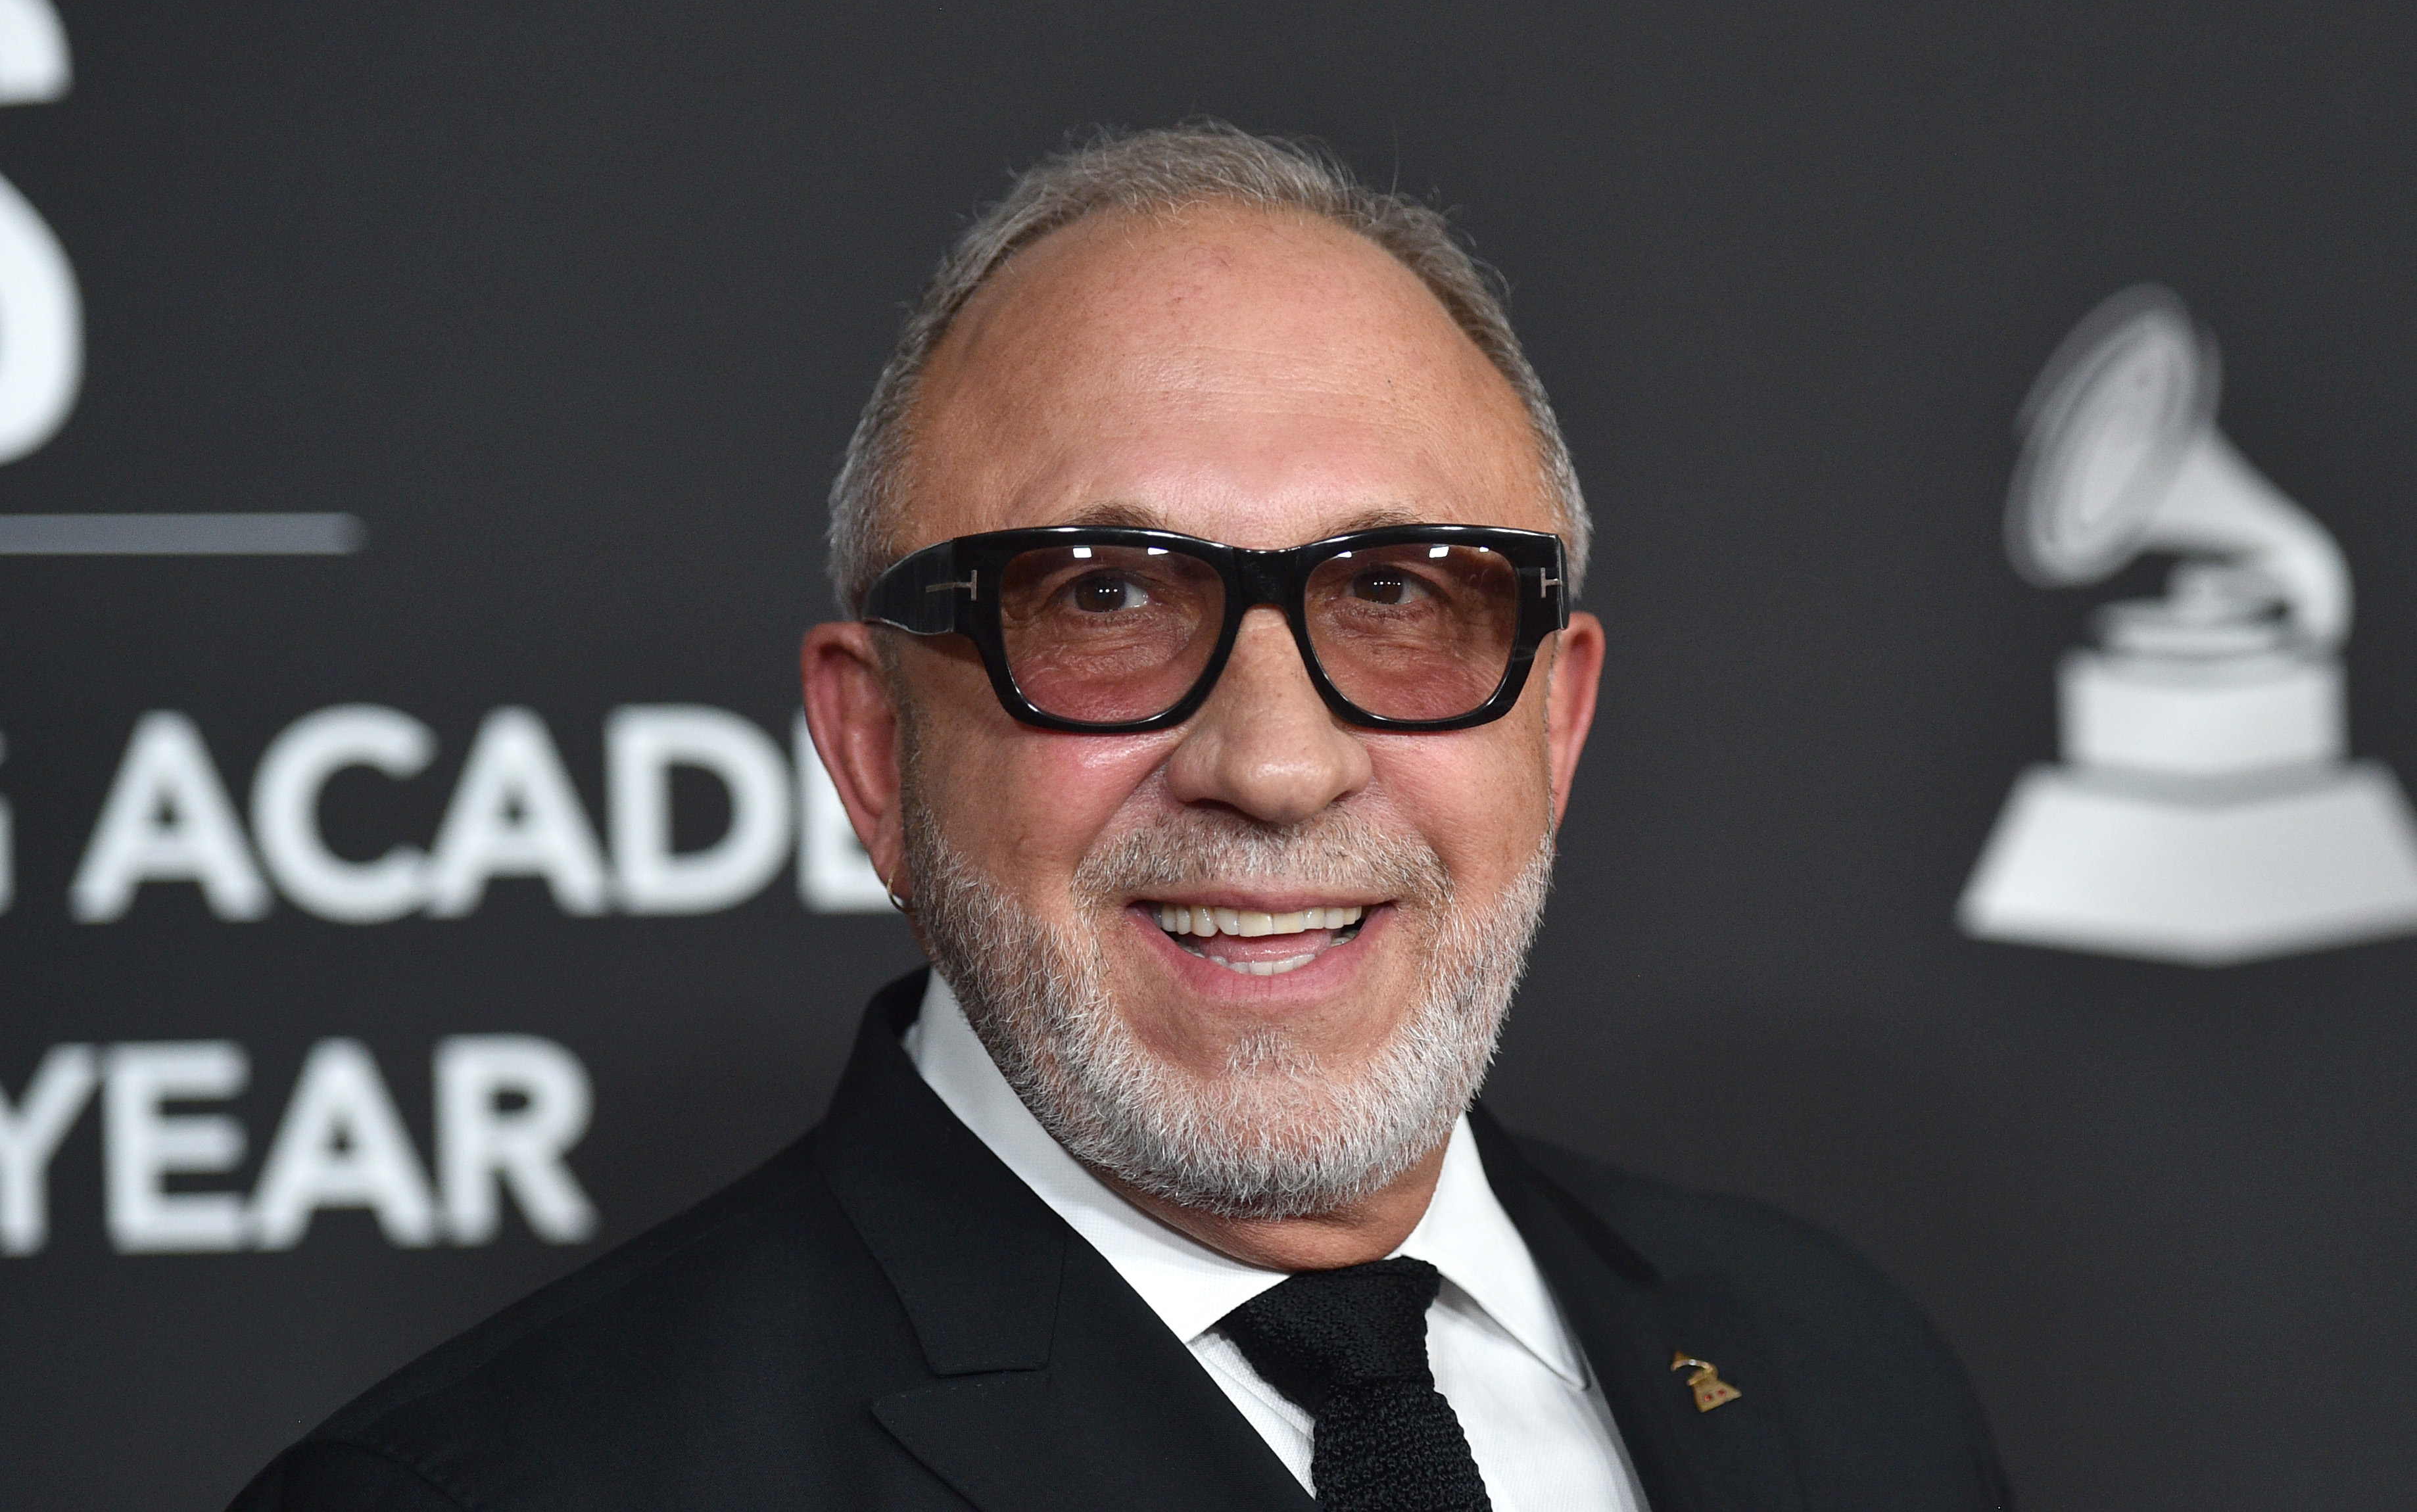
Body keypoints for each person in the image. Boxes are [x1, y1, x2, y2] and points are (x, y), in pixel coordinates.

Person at [231, 124, 2011, 1512]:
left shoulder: (1829, 1364)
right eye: (1099, 602)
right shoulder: (491, 1499)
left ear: (1555, 720)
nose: (1275, 762)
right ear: (870, 750)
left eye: (1399, 595)